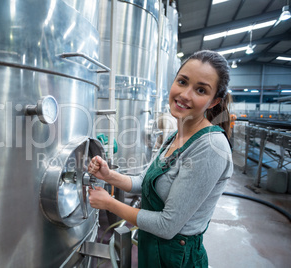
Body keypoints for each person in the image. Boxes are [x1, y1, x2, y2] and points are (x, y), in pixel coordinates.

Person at [88, 50, 234, 267]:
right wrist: (109, 176)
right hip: (152, 246)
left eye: (201, 90)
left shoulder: (210, 147)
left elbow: (167, 225)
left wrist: (109, 203)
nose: (185, 94)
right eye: (182, 82)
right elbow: (143, 181)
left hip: (176, 255)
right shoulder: (176, 135)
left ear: (214, 102)